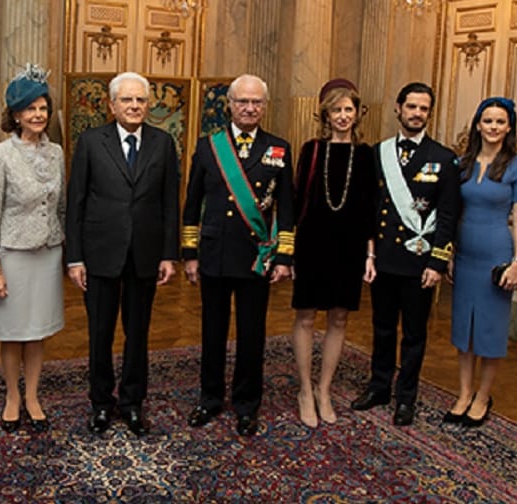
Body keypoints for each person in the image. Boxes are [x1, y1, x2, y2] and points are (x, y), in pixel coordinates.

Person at [66, 71, 179, 436]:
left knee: (138, 334)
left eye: (140, 100)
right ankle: (101, 404)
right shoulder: (90, 142)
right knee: (100, 334)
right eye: (127, 100)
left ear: (148, 105)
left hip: (145, 255)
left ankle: (132, 403)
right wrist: (75, 257)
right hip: (99, 254)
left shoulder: (163, 143)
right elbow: (76, 203)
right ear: (111, 105)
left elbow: (169, 203)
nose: (134, 106)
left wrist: (169, 254)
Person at [182, 74, 295, 436]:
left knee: (252, 334)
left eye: (256, 102)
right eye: (242, 102)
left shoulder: (279, 148)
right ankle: (210, 399)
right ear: (229, 104)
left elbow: (287, 206)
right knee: (212, 331)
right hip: (215, 253)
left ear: (265, 106)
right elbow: (192, 202)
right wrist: (189, 251)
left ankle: (247, 404)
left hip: (255, 257)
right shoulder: (208, 146)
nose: (249, 108)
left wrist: (284, 256)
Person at [351, 82, 459, 426]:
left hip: (419, 261)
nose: (417, 113)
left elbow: (448, 214)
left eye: (424, 108)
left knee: (414, 334)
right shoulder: (377, 153)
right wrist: (368, 255)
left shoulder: (443, 159)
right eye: (411, 106)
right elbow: (369, 208)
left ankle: (406, 397)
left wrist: (438, 261)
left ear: (430, 113)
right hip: (384, 259)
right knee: (382, 328)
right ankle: (379, 386)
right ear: (398, 108)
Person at [0, 64, 65, 433]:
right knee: (13, 331)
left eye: (43, 108)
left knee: (38, 330)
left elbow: (61, 206)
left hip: (48, 252)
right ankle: (12, 397)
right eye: (30, 109)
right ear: (15, 114)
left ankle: (32, 395)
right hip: (12, 254)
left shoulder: (58, 153)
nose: (38, 115)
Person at [290, 79, 377, 428]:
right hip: (312, 244)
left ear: (357, 114)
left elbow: (371, 207)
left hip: (350, 247)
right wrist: (291, 252)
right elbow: (298, 202)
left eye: (348, 110)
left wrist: (370, 254)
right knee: (306, 317)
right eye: (336, 110)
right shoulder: (311, 150)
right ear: (325, 114)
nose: (342, 116)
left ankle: (324, 389)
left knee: (339, 318)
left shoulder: (367, 154)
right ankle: (304, 391)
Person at [444, 97, 517, 427]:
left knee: (490, 331)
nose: (493, 127)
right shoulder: (462, 164)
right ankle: (464, 392)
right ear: (478, 124)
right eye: (487, 121)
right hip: (464, 254)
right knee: (464, 329)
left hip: (497, 255)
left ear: (509, 127)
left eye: (500, 122)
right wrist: (447, 253)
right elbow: (453, 211)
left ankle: (483, 395)